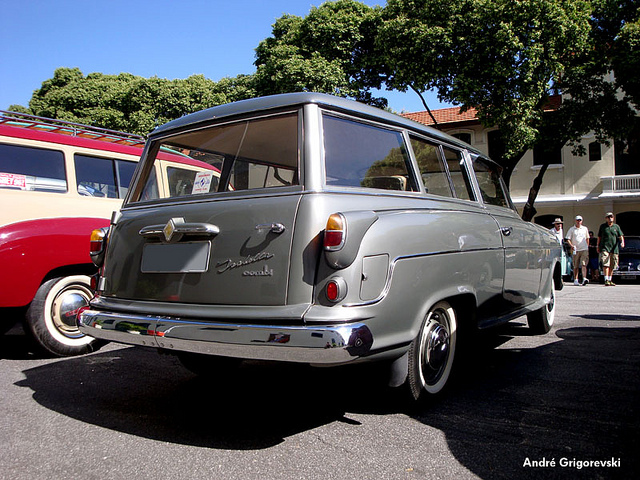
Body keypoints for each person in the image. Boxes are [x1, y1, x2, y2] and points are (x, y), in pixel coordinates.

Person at [597, 212, 625, 286]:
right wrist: (598, 246)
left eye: (611, 217)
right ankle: (606, 279)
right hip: (605, 248)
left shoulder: (616, 227)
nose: (610, 218)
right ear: (606, 218)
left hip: (614, 248)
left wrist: (622, 242)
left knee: (612, 265)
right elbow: (599, 237)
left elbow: (621, 235)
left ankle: (610, 279)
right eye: (608, 217)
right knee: (606, 263)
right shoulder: (603, 226)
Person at [565, 215, 590, 285]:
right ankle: (576, 279)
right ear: (575, 221)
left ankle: (584, 278)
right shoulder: (572, 229)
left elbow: (587, 238)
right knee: (575, 265)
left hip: (584, 249)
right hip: (575, 249)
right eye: (577, 220)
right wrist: (571, 246)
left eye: (580, 220)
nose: (579, 222)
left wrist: (587, 246)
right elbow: (568, 239)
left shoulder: (585, 229)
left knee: (583, 264)